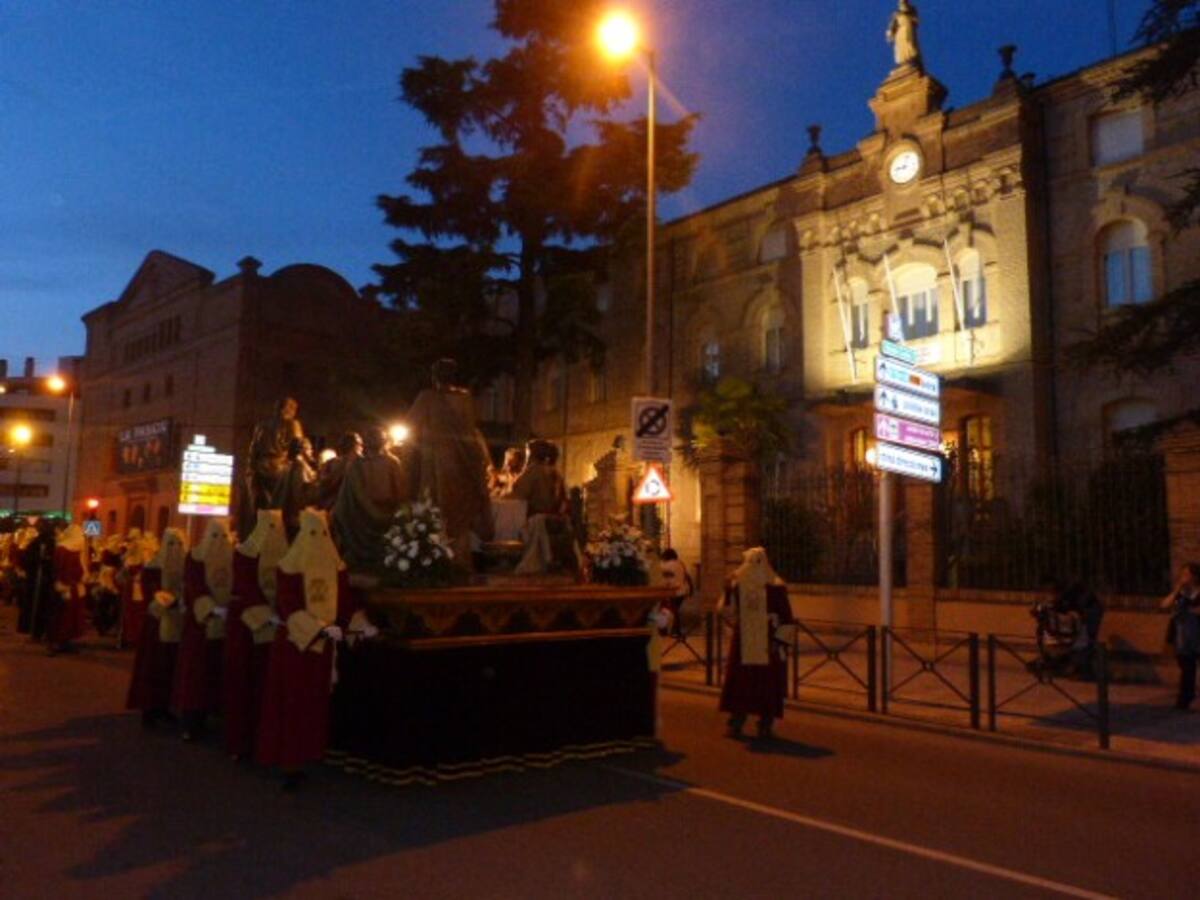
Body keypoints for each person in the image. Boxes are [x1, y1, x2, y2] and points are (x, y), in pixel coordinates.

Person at [256, 508, 359, 790]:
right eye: (313, 533)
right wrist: (318, 629)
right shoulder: (289, 565)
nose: (318, 539)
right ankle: (289, 762)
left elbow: (346, 601)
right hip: (296, 646)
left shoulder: (336, 566)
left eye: (322, 533)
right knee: (291, 703)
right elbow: (288, 604)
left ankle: (306, 754)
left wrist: (349, 625)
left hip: (321, 649)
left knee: (312, 704)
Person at [406, 359, 494, 565]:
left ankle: (436, 563)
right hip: (462, 466)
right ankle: (459, 562)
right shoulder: (465, 399)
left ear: (434, 376)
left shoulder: (426, 398)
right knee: (459, 515)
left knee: (435, 509)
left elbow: (411, 424)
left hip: (435, 463)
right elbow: (470, 433)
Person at [223, 509, 288, 760]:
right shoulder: (245, 554)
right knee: (243, 684)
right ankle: (239, 743)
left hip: (274, 626)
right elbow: (244, 586)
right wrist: (264, 612)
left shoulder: (287, 554)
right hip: (247, 628)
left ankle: (264, 741)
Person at [718, 547, 795, 739]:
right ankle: (736, 722)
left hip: (767, 641)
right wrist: (727, 589)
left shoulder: (776, 587)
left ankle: (765, 724)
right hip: (745, 639)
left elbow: (787, 617)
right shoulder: (739, 586)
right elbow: (727, 612)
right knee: (741, 683)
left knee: (767, 684)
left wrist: (778, 642)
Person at [173, 519, 234, 741]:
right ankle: (190, 721)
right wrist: (210, 608)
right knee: (195, 674)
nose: (219, 542)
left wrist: (230, 609)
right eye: (215, 536)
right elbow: (193, 585)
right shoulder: (196, 557)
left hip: (224, 626)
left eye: (223, 537)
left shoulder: (232, 557)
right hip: (200, 627)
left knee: (215, 673)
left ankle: (210, 715)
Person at [127, 528, 187, 727]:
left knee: (170, 667)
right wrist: (165, 599)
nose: (175, 549)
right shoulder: (153, 567)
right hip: (157, 624)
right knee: (154, 667)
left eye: (179, 544)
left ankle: (166, 706)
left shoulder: (186, 566)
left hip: (177, 623)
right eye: (171, 544)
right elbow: (151, 591)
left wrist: (181, 599)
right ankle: (149, 708)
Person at [331, 427, 411, 570]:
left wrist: (396, 512)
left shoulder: (392, 462)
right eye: (370, 437)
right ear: (365, 442)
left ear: (384, 440)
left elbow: (401, 492)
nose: (373, 440)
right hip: (361, 519)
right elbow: (352, 494)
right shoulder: (356, 465)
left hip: (388, 514)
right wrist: (372, 512)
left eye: (377, 437)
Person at [239, 396, 304, 537]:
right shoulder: (293, 424)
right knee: (280, 511)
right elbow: (298, 447)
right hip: (281, 470)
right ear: (289, 409)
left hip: (260, 470)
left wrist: (251, 471)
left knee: (261, 511)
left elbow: (252, 451)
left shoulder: (261, 425)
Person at [1161, 562, 1200, 711]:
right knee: (1187, 668)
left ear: (1195, 576)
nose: (1184, 578)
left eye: (1187, 574)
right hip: (1183, 636)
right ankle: (1184, 700)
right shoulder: (1181, 593)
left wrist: (1193, 611)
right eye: (1182, 574)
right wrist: (1177, 589)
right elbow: (1164, 605)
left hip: (1196, 633)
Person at [48, 523, 89, 654]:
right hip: (66, 586)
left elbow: (82, 564)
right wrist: (61, 583)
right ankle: (57, 641)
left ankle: (67, 641)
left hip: (76, 586)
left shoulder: (78, 548)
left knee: (73, 616)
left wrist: (83, 576)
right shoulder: (62, 549)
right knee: (62, 615)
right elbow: (58, 568)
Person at [274, 437, 318, 539]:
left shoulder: (289, 466)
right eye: (309, 448)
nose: (311, 452)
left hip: (289, 518)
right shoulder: (299, 467)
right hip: (296, 519)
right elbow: (299, 494)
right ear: (302, 450)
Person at [317, 432, 363, 510]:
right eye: (360, 444)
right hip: (351, 509)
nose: (362, 447)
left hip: (333, 508)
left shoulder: (330, 463)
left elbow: (321, 484)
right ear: (356, 446)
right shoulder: (361, 464)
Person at [658, 549, 693, 639]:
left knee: (666, 611)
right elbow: (687, 576)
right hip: (682, 590)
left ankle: (671, 630)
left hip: (672, 592)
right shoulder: (680, 563)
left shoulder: (665, 565)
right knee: (674, 611)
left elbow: (664, 579)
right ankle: (673, 630)